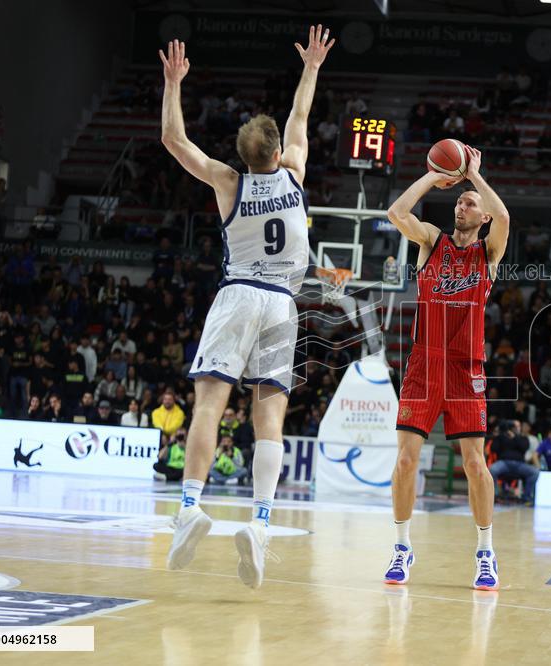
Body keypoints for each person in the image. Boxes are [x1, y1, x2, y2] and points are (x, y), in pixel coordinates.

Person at [159, 27, 333, 589]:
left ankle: (189, 508)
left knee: (210, 405)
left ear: (243, 156)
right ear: (278, 152)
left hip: (238, 295)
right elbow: (301, 114)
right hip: (284, 306)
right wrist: (310, 66)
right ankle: (259, 523)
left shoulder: (228, 183)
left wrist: (173, 84)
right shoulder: (297, 171)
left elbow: (174, 142)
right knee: (269, 422)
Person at [385, 141, 510, 591]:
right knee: (404, 460)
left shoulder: (488, 256)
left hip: (465, 369)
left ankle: (484, 552)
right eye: (459, 199)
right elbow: (397, 214)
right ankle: (401, 547)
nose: (463, 204)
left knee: (476, 466)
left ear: (483, 217)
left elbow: (506, 218)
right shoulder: (431, 242)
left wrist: (474, 176)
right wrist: (433, 178)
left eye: (470, 202)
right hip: (423, 364)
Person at [487, 421, 539, 503]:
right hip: (504, 463)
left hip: (519, 465)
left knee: (535, 472)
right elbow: (494, 448)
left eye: (516, 427)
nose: (513, 429)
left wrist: (515, 437)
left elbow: (524, 447)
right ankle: (494, 495)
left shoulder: (522, 438)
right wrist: (499, 437)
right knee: (492, 470)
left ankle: (526, 497)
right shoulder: (501, 437)